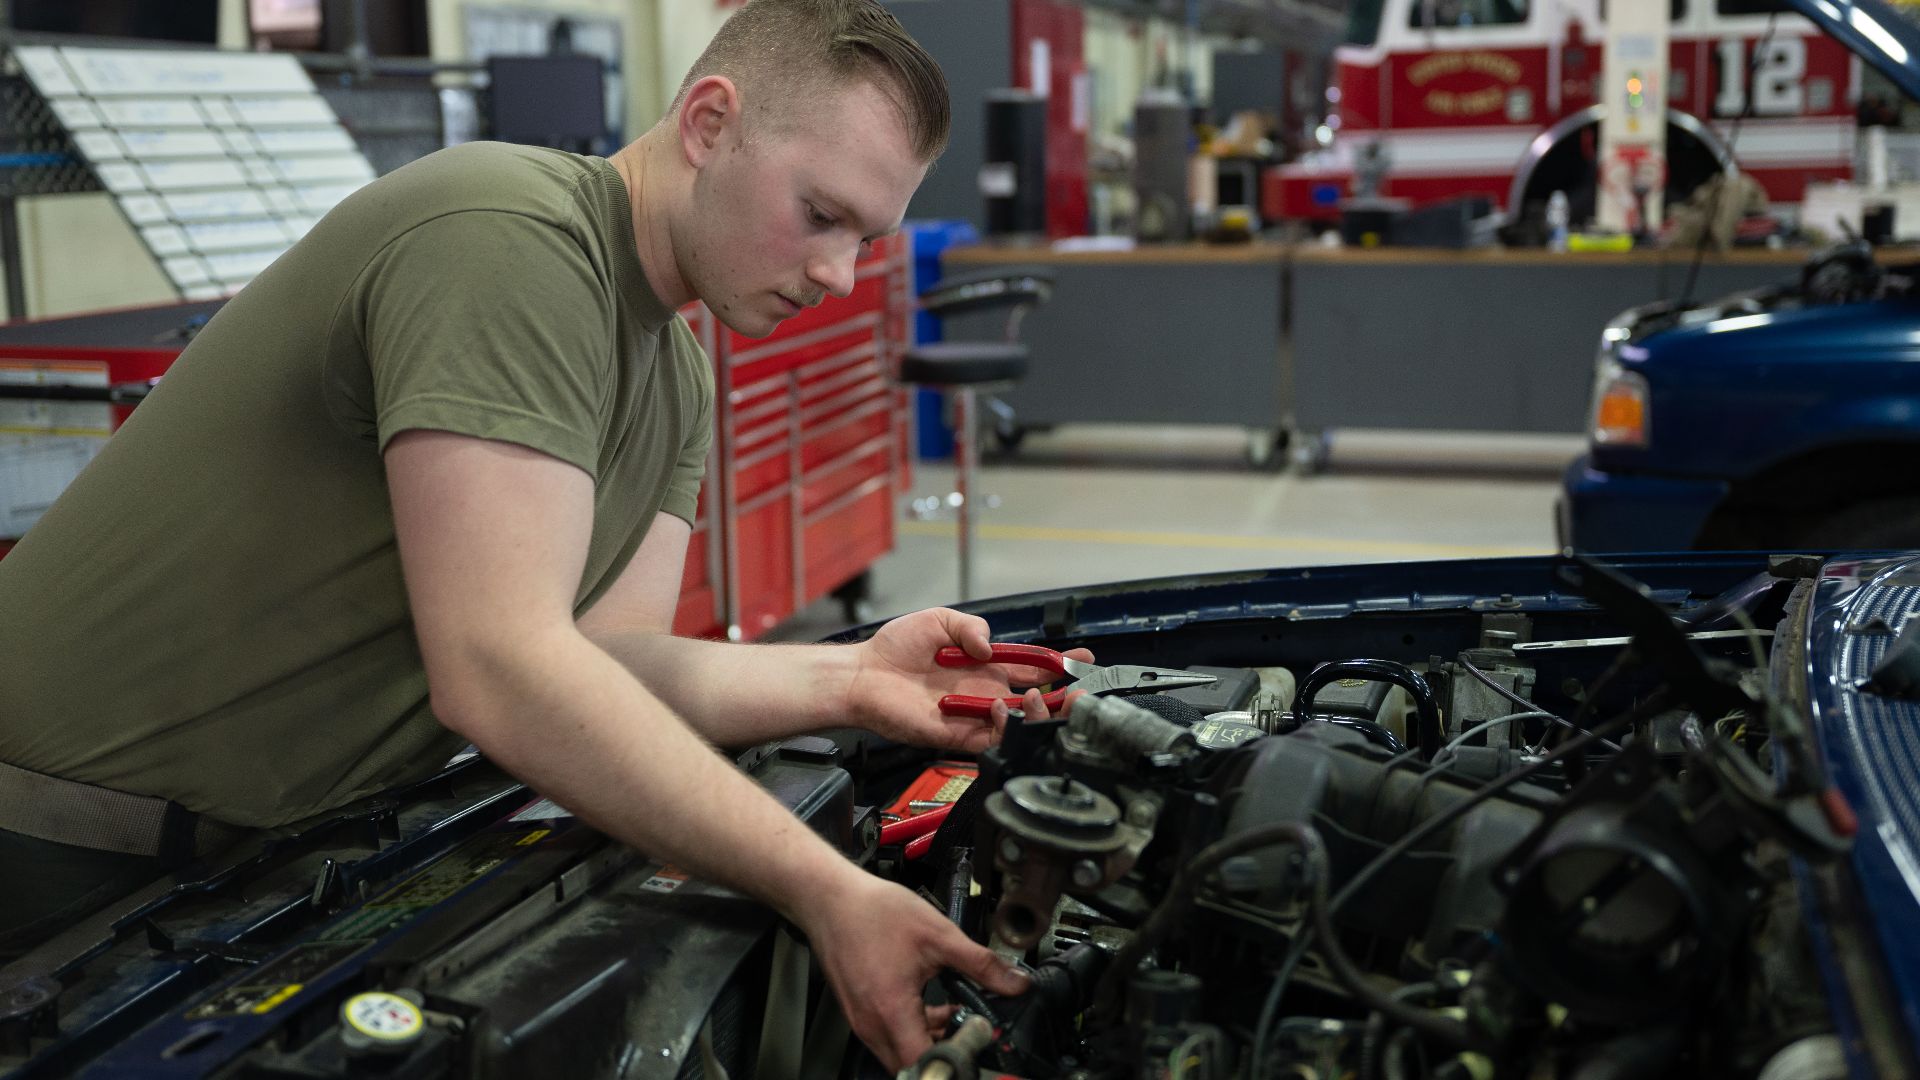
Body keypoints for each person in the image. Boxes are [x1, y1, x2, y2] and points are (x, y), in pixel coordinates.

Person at [0, 0, 1086, 1068]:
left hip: (245, 875)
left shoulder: (677, 371)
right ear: (709, 123)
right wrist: (824, 887)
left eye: (867, 237)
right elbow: (500, 671)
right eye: (820, 212)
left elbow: (605, 666)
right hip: (56, 858)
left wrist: (850, 679)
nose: (838, 275)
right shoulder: (509, 239)